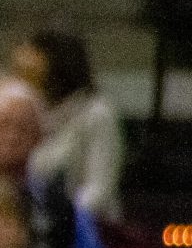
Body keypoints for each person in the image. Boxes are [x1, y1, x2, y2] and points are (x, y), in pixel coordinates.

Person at [0, 79, 108, 248]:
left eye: (23, 127)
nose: (12, 135)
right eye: (4, 125)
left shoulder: (58, 201)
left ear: (39, 137)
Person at [13, 26, 122, 223]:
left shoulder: (96, 114)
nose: (23, 58)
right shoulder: (33, 106)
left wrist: (65, 218)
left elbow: (100, 188)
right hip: (39, 226)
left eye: (34, 53)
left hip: (85, 230)